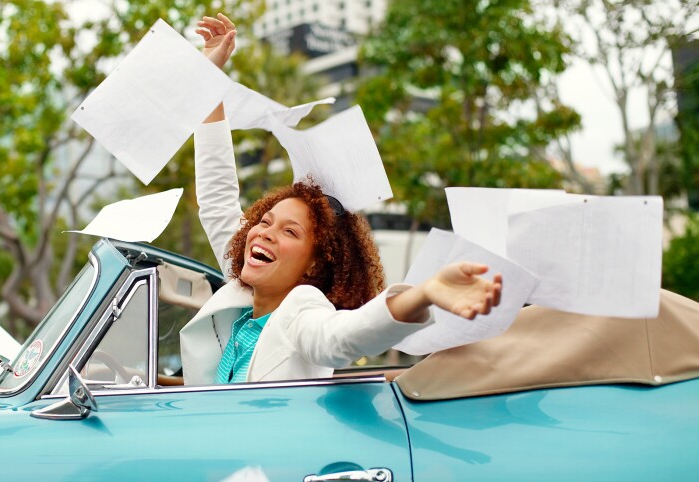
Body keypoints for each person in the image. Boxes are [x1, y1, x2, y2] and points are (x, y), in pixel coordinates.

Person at [179, 14, 502, 386]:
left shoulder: (302, 312)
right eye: (265, 221)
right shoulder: (241, 290)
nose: (264, 233)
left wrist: (424, 294)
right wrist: (209, 76)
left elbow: (342, 337)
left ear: (315, 263)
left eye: (290, 231)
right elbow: (217, 195)